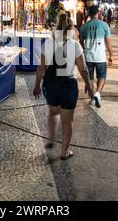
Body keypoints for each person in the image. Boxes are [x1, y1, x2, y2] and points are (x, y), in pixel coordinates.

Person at [33, 13, 94, 160]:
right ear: (71, 29)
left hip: (50, 85)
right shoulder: (75, 45)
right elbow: (83, 69)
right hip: (68, 85)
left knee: (53, 112)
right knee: (67, 121)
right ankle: (64, 152)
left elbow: (41, 68)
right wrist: (89, 86)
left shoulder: (48, 44)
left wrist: (37, 86)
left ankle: (51, 139)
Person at [80, 6, 113, 108]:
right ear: (98, 13)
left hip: (88, 56)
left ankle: (92, 97)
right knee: (102, 76)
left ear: (88, 14)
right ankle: (98, 94)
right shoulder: (104, 25)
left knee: (90, 78)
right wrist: (111, 55)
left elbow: (81, 42)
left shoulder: (84, 27)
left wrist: (85, 50)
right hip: (100, 56)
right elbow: (108, 43)